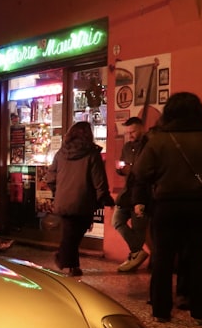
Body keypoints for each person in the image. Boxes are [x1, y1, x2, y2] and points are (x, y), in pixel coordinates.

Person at [132, 92, 202, 325]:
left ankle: (161, 310)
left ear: (169, 113)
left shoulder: (158, 140)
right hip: (199, 208)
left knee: (163, 258)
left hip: (166, 207)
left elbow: (140, 172)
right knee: (199, 257)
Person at [44, 120, 114, 276]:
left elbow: (50, 178)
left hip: (63, 201)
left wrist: (59, 192)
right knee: (73, 234)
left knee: (71, 233)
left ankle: (71, 264)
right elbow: (99, 180)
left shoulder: (61, 153)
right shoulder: (92, 154)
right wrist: (104, 197)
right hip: (83, 202)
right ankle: (65, 260)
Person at [113, 116, 151, 272]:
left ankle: (135, 255)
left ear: (141, 128)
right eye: (128, 132)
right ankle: (137, 252)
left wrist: (132, 169)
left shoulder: (150, 145)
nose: (130, 135)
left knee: (138, 228)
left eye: (133, 131)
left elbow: (147, 171)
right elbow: (123, 164)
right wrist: (120, 169)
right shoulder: (127, 147)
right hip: (127, 193)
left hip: (143, 194)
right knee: (116, 221)